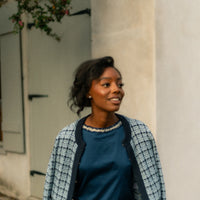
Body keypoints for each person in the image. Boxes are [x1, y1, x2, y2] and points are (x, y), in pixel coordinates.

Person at [43, 56, 166, 200]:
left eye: (120, 84)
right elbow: (55, 191)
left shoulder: (139, 133)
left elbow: (155, 188)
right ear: (88, 91)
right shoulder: (66, 137)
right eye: (106, 84)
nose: (116, 90)